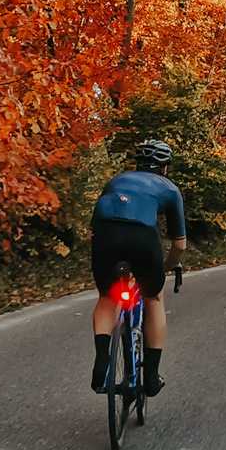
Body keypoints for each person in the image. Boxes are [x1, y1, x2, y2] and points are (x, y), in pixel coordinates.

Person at [90, 139, 187, 395]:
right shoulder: (169, 188)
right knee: (153, 297)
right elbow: (180, 245)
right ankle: (152, 376)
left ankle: (101, 364)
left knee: (106, 298)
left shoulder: (117, 180)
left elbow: (94, 227)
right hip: (143, 239)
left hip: (105, 235)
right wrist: (164, 267)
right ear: (165, 168)